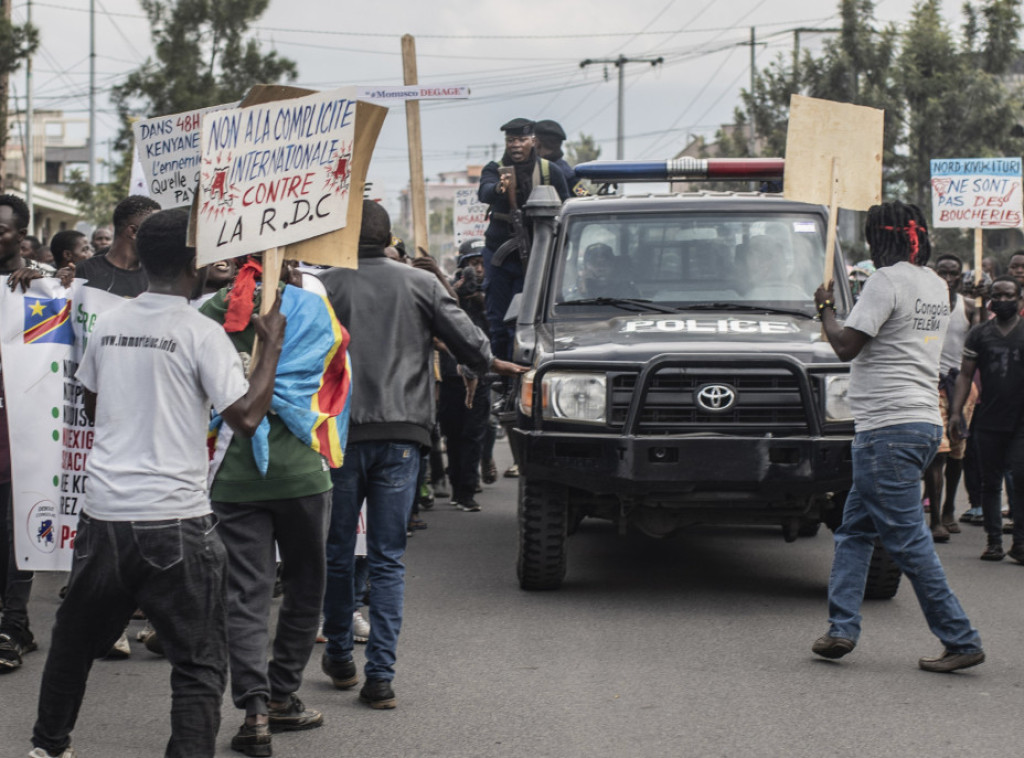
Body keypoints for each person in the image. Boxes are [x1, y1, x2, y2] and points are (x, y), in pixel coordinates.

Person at [29, 208, 287, 758]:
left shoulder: (113, 323)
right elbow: (244, 417)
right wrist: (272, 350)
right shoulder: (201, 332)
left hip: (103, 518)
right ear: (194, 264)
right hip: (175, 520)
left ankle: (48, 747)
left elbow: (94, 404)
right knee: (197, 665)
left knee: (71, 649)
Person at [318, 201, 525, 709]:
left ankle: (340, 655)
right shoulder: (420, 283)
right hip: (404, 433)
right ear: (389, 236)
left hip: (339, 435)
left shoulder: (322, 286)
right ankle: (381, 677)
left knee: (339, 552)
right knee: (388, 558)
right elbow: (475, 348)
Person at [811, 201, 984, 673]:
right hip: (921, 422)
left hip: (885, 429)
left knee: (908, 541)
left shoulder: (885, 281)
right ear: (918, 235)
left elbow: (846, 345)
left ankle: (960, 637)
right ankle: (841, 629)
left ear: (878, 238)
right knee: (854, 530)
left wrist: (825, 310)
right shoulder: (935, 284)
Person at [200, 256, 342, 757]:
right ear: (290, 262)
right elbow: (335, 378)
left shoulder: (208, 313)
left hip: (233, 477)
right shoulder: (314, 309)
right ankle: (282, 695)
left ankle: (255, 713)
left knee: (247, 594)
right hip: (303, 471)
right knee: (306, 585)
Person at [0, 194, 47, 673]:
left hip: (23, 431)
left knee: (19, 534)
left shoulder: (42, 286)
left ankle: (11, 627)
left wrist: (48, 288)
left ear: (21, 233)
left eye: (2, 229)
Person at [478, 118, 568, 362]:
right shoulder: (494, 168)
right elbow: (484, 191)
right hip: (500, 256)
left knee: (528, 320)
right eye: (511, 141)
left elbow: (567, 208)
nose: (515, 145)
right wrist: (500, 187)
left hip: (537, 256)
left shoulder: (550, 171)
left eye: (521, 140)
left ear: (533, 141)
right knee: (498, 322)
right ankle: (501, 375)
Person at [948, 276, 1024, 563]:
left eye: (1009, 295)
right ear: (990, 299)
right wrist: (956, 412)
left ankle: (1020, 542)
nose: (1003, 301)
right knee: (989, 483)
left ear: (1019, 298)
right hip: (989, 419)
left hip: (1021, 423)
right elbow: (965, 375)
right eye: (997, 296)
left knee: (1020, 477)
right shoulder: (979, 334)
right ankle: (994, 542)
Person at [924, 254, 981, 542]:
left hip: (961, 386)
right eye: (942, 272)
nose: (948, 278)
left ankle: (948, 509)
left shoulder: (969, 307)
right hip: (930, 385)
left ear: (961, 277)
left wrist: (982, 309)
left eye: (954, 273)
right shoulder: (924, 306)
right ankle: (935, 518)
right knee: (938, 452)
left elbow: (978, 340)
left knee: (957, 452)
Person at [74, 196, 160, 298]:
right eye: (156, 228)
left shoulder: (156, 280)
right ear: (133, 231)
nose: (160, 235)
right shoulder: (82, 272)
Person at [534, 119, 588, 197]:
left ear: (537, 143)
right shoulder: (567, 171)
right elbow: (583, 194)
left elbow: (583, 195)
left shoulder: (563, 172)